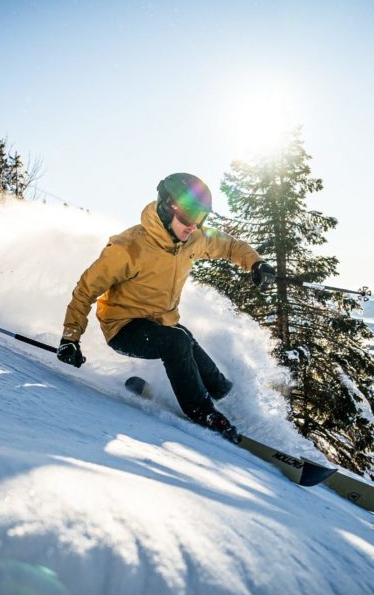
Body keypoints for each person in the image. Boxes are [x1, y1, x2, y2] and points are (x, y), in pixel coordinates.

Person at [57, 173, 276, 442]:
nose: (192, 226)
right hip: (123, 328)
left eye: (199, 219)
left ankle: (224, 397)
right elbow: (86, 289)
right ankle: (201, 410)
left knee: (186, 340)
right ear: (165, 208)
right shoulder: (129, 247)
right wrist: (70, 338)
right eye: (186, 218)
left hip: (161, 323)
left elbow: (230, 246)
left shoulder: (193, 238)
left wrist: (255, 263)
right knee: (177, 342)